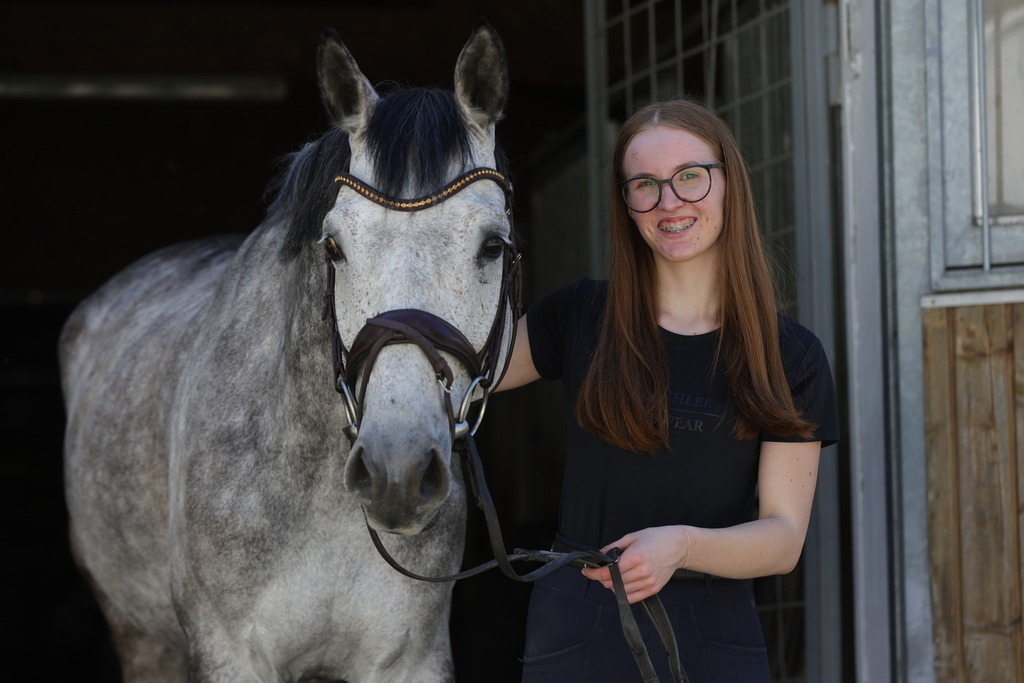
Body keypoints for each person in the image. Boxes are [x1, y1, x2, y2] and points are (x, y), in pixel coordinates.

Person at [496, 97, 840, 682]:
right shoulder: (580, 316)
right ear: (626, 204)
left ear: (728, 182)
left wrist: (681, 546)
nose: (669, 202)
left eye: (689, 177)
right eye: (645, 185)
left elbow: (783, 540)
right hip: (577, 630)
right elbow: (457, 375)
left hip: (714, 635)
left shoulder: (789, 355)